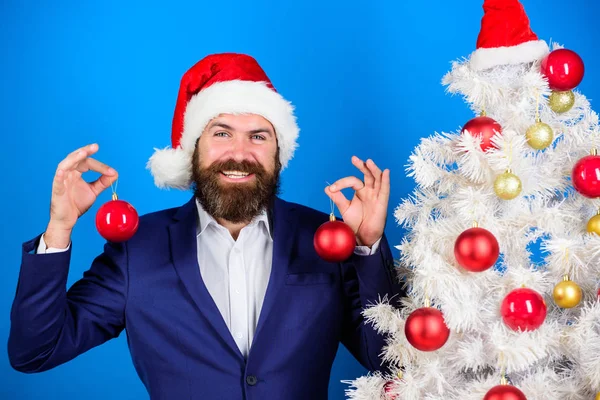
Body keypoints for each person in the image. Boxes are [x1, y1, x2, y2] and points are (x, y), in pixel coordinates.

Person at [8, 53, 404, 400]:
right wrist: (59, 228)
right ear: (192, 148)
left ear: (278, 152)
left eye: (259, 136)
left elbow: (390, 360)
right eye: (221, 133)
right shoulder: (137, 248)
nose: (240, 153)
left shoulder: (324, 239)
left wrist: (367, 247)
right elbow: (35, 352)